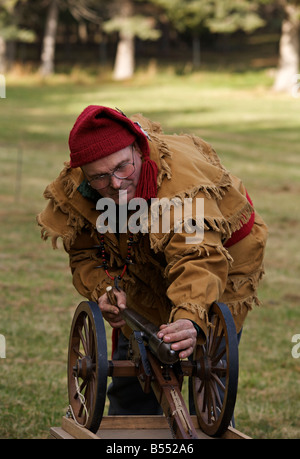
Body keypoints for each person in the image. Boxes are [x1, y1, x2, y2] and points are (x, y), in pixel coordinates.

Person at [37, 105, 268, 415]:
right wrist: (103, 290)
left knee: (206, 360)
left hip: (222, 253)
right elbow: (84, 252)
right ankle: (133, 421)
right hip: (144, 257)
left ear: (138, 148)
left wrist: (189, 318)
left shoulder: (180, 190)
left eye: (122, 168)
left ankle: (205, 418)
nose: (116, 184)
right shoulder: (81, 187)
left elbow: (198, 258)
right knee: (139, 354)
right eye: (101, 177)